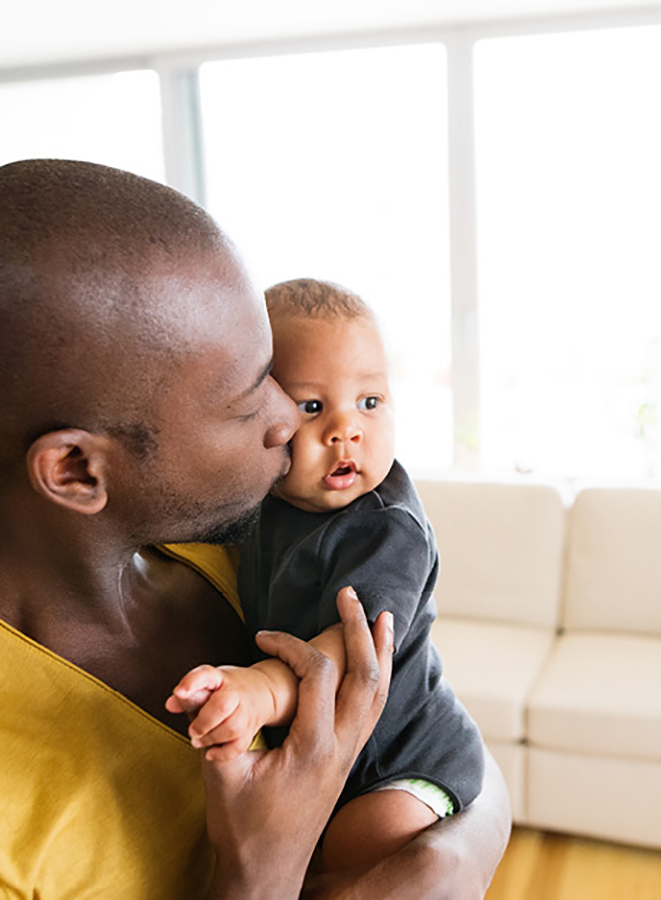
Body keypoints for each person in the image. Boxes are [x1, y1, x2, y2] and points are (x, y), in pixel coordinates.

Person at [0, 159, 510, 899]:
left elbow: (437, 726)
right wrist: (260, 875)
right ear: (75, 470)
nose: (289, 423)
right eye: (249, 401)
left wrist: (445, 862)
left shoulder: (231, 542)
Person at [168, 279, 484, 874]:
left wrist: (262, 689)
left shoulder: (385, 529)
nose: (347, 430)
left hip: (404, 756)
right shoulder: (270, 497)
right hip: (323, 751)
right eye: (312, 407)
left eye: (370, 402)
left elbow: (354, 651)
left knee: (359, 844)